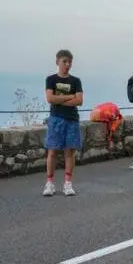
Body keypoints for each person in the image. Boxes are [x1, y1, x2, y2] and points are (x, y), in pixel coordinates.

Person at [43, 49, 83, 197]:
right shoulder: (51, 79)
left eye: (69, 62)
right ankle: (50, 183)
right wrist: (70, 97)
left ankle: (68, 183)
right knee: (52, 151)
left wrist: (60, 100)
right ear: (57, 62)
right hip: (56, 119)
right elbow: (50, 99)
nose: (67, 64)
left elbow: (79, 101)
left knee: (69, 152)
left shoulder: (75, 81)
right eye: (64, 61)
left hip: (71, 119)